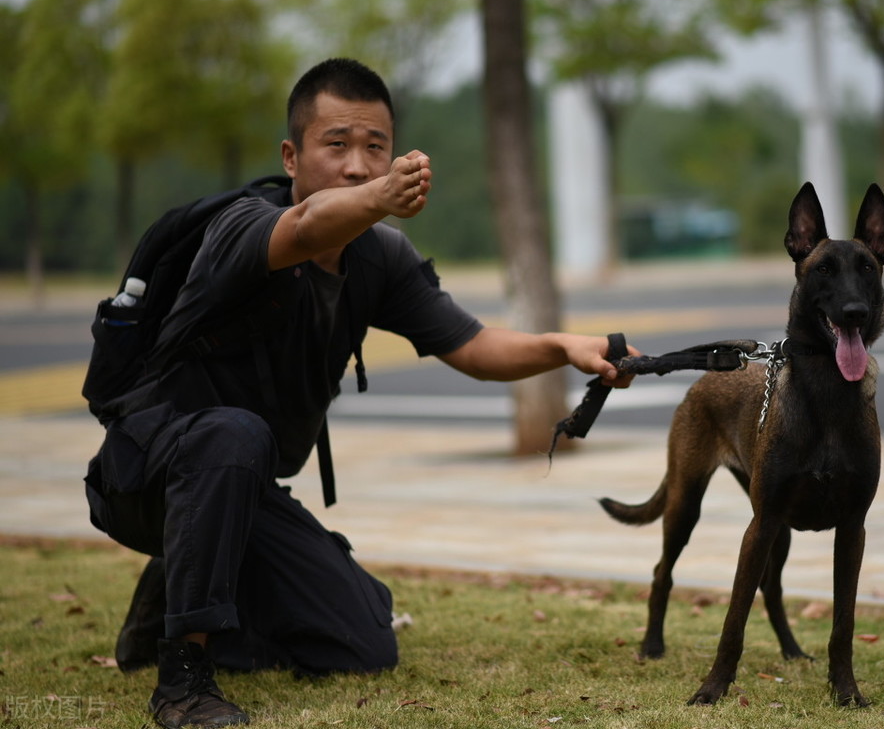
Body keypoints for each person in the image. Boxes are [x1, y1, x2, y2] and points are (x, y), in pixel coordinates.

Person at [83, 58, 636, 728]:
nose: (357, 164)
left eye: (376, 147)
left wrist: (562, 347)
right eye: (336, 144)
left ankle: (169, 603)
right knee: (233, 433)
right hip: (145, 478)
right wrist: (380, 197)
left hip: (241, 491)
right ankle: (183, 682)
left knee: (361, 645)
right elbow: (309, 227)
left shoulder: (380, 258)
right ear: (292, 156)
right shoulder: (243, 227)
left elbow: (473, 346)